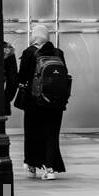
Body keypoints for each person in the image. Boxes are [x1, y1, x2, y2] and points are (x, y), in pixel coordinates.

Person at [14, 23, 70, 180]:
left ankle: (32, 166)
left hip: (34, 101)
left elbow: (22, 76)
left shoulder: (29, 52)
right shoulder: (58, 53)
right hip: (55, 102)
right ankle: (50, 168)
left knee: (32, 132)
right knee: (52, 133)